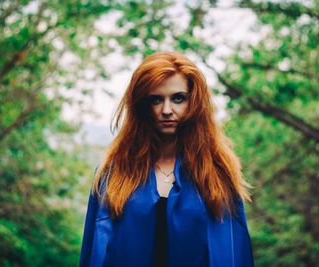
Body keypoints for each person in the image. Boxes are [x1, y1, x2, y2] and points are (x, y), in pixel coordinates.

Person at [79, 51, 254, 267]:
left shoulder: (217, 171)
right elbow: (94, 250)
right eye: (156, 99)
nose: (167, 110)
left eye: (178, 98)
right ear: (142, 105)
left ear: (194, 103)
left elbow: (234, 251)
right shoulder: (114, 173)